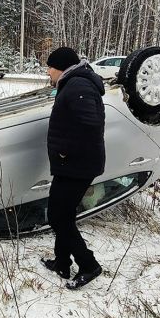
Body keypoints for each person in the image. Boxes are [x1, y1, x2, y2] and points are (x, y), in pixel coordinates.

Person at [40, 47, 105, 289]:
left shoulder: (78, 86)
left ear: (61, 67)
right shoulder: (73, 83)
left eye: (50, 67)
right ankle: (62, 262)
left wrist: (66, 149)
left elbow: (90, 124)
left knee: (58, 217)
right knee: (63, 214)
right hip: (72, 164)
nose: (48, 72)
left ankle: (88, 265)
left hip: (78, 165)